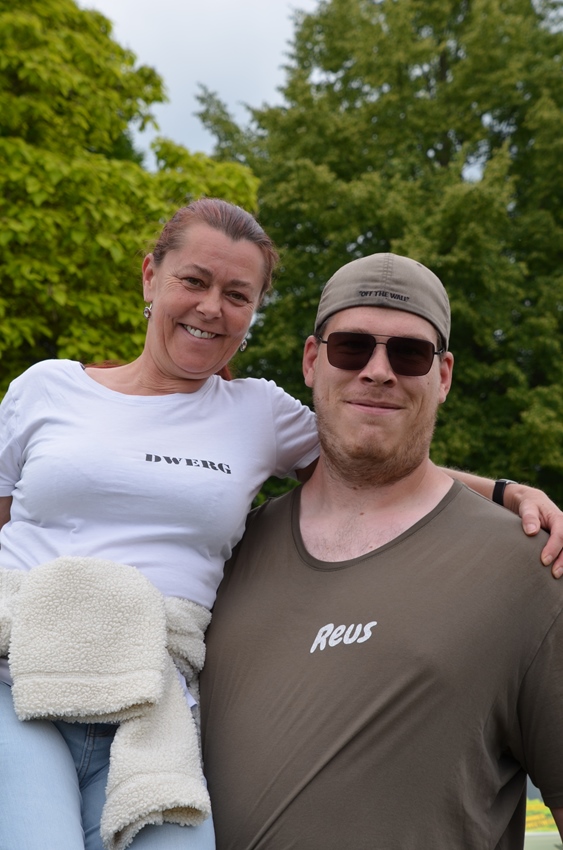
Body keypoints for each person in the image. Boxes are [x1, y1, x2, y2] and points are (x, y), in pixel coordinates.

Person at [0, 201, 560, 850]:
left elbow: (368, 446)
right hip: (21, 674)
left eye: (237, 294)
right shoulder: (46, 389)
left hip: (153, 708)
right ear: (150, 276)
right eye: (193, 281)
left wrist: (503, 491)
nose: (211, 307)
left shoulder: (257, 414)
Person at [200, 251, 563, 849]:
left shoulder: (529, 569)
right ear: (312, 360)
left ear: (443, 376)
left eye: (409, 354)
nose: (378, 371)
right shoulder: (224, 556)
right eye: (351, 347)